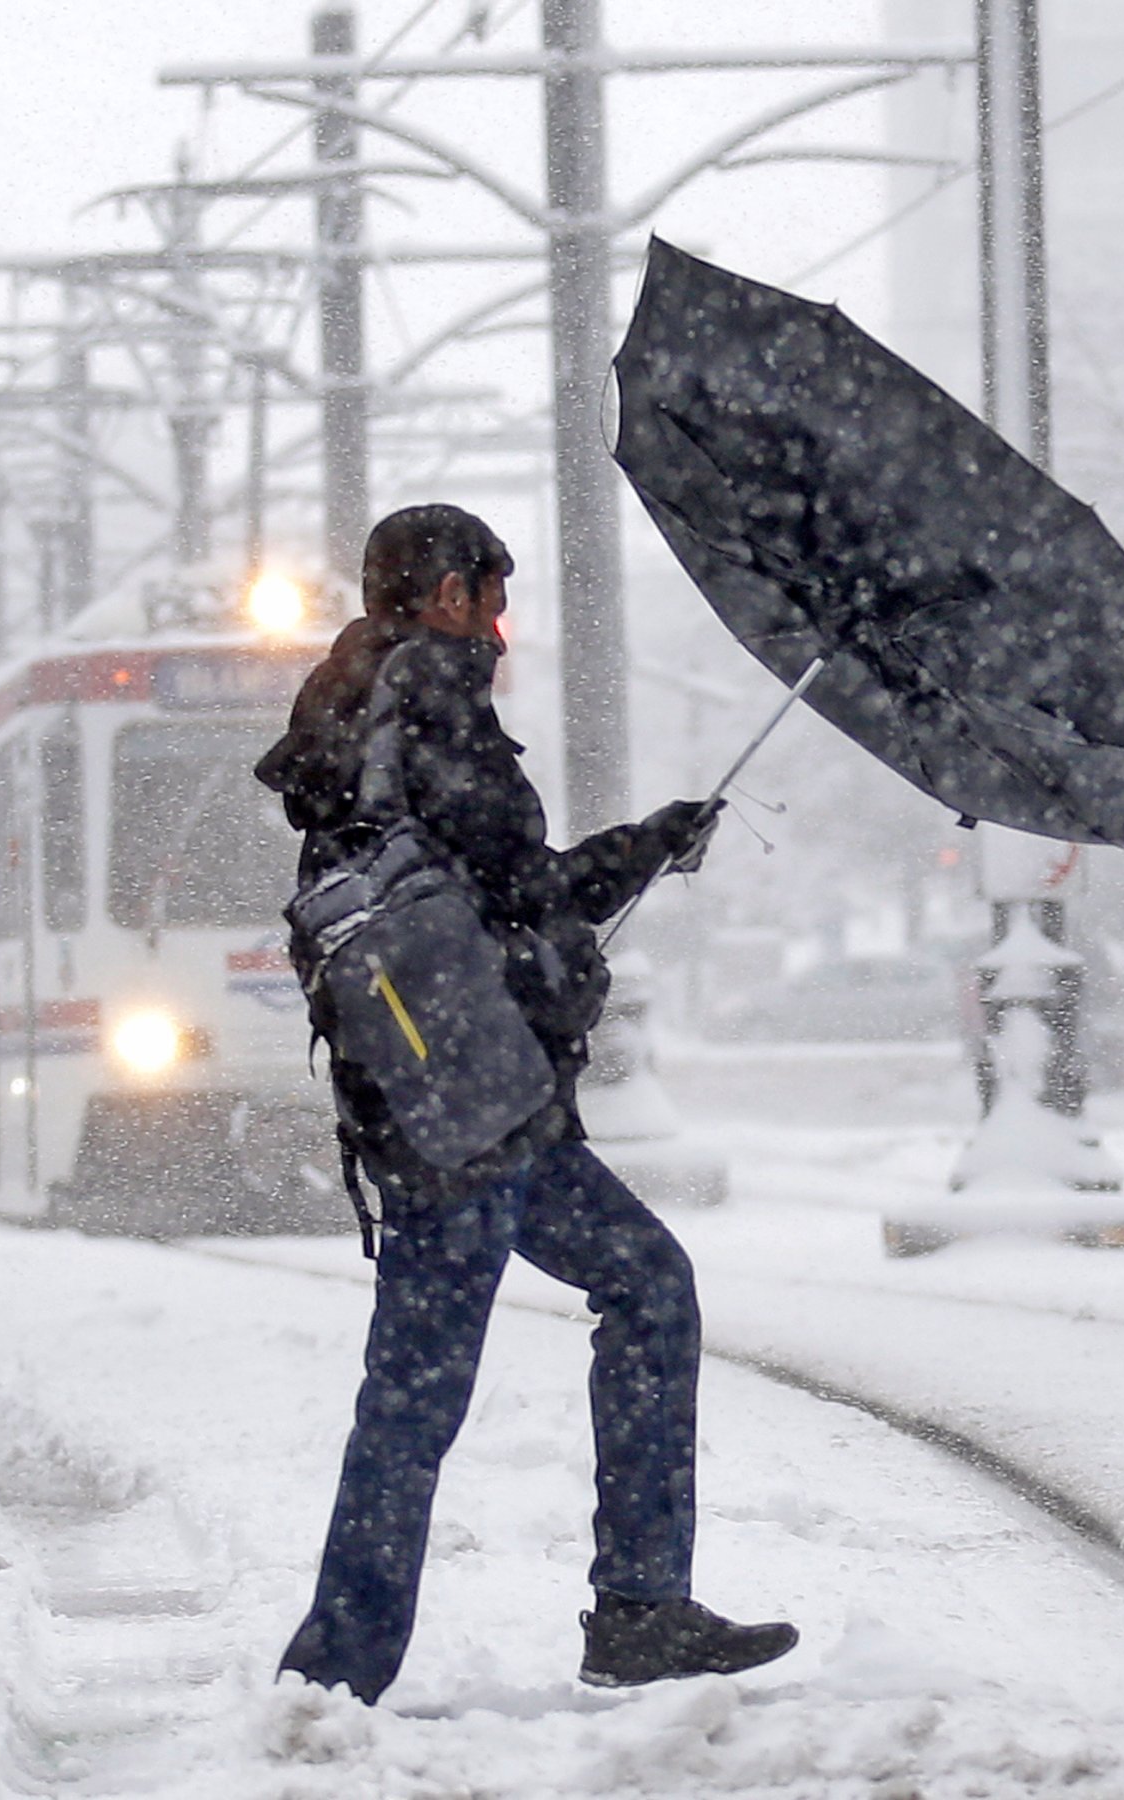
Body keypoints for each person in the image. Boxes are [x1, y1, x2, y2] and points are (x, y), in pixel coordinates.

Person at [254, 502, 797, 1704]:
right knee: (417, 1394)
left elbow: (473, 892)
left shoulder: (352, 707)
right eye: (491, 600)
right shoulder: (432, 700)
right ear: (448, 594)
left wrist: (637, 853)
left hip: (448, 1097)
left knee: (643, 1286)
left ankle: (640, 1610)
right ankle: (335, 1676)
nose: (500, 628)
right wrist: (641, 852)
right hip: (469, 1111)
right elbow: (519, 888)